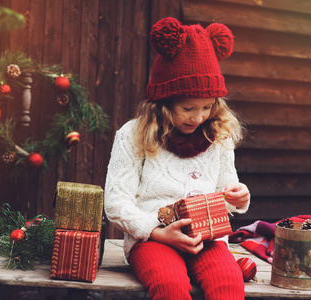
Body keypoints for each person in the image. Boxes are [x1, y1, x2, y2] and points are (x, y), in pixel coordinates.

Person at [104, 17, 250, 300]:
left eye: (208, 107)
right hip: (152, 238)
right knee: (170, 286)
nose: (199, 117)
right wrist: (159, 233)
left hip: (206, 238)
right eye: (188, 108)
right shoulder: (133, 135)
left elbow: (227, 188)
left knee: (229, 284)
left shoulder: (218, 136)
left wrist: (239, 197)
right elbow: (116, 203)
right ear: (163, 102)